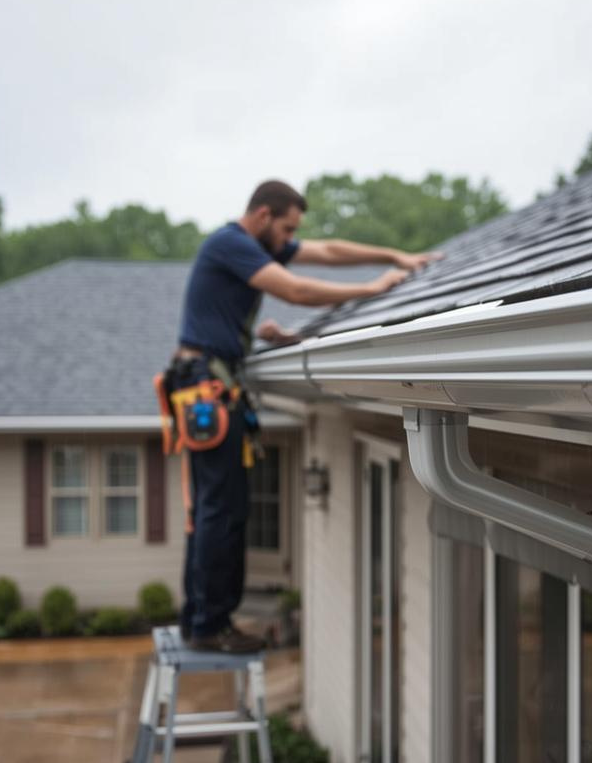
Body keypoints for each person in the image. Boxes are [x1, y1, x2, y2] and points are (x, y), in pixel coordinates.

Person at [171, 179, 440, 653]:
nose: (291, 238)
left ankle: (199, 620)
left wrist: (394, 256)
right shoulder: (231, 243)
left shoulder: (249, 243)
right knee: (222, 509)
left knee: (215, 507)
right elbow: (295, 289)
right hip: (205, 388)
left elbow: (330, 250)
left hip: (205, 384)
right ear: (262, 217)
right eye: (287, 228)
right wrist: (371, 287)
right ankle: (210, 625)